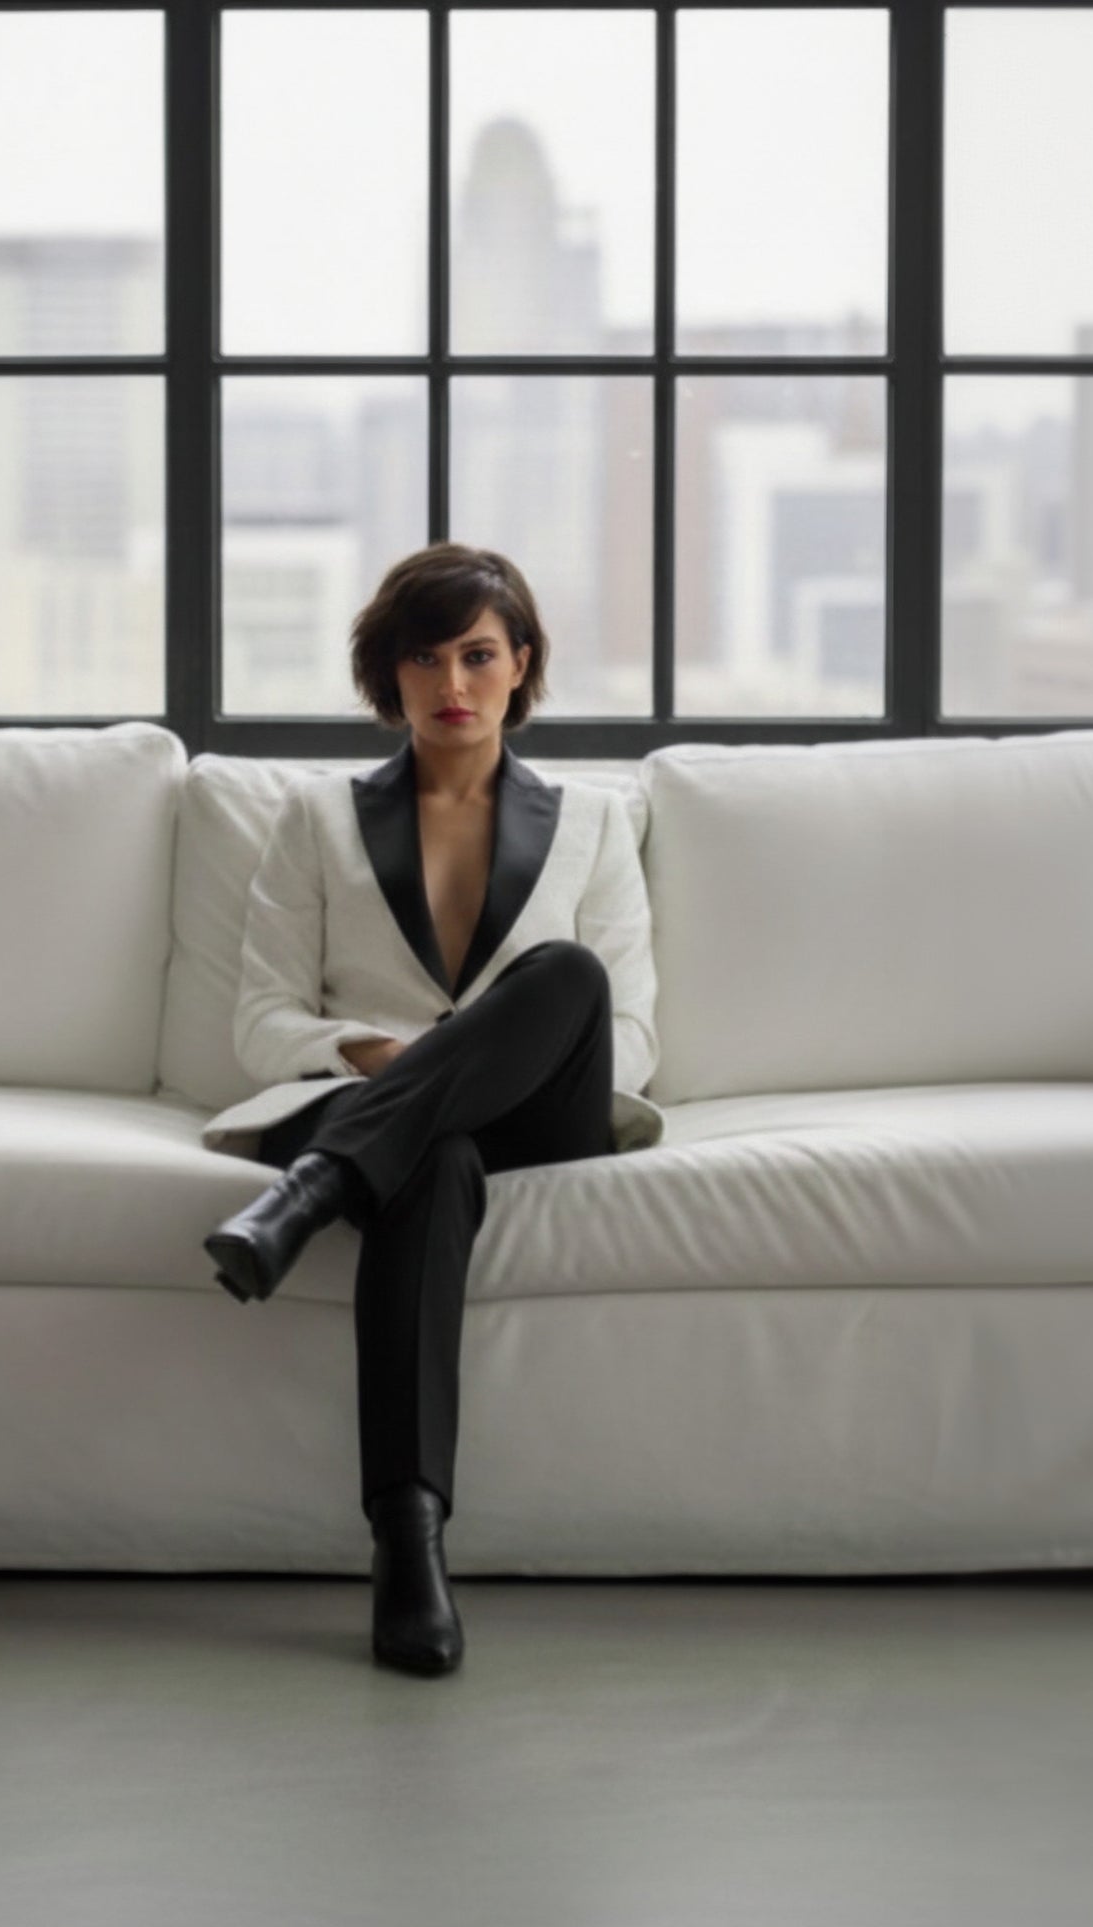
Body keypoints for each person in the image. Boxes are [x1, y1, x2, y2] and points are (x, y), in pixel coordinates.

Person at [200, 542, 664, 1677]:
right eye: (423, 657)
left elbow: (634, 1041)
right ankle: (408, 1549)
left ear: (520, 666)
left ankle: (308, 1192)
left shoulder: (594, 822)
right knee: (430, 1154)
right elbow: (260, 1021)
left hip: (533, 1111)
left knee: (566, 976)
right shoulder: (317, 820)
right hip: (378, 1106)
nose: (451, 683)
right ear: (387, 675)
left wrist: (463, 1051)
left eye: (476, 654)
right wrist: (373, 1052)